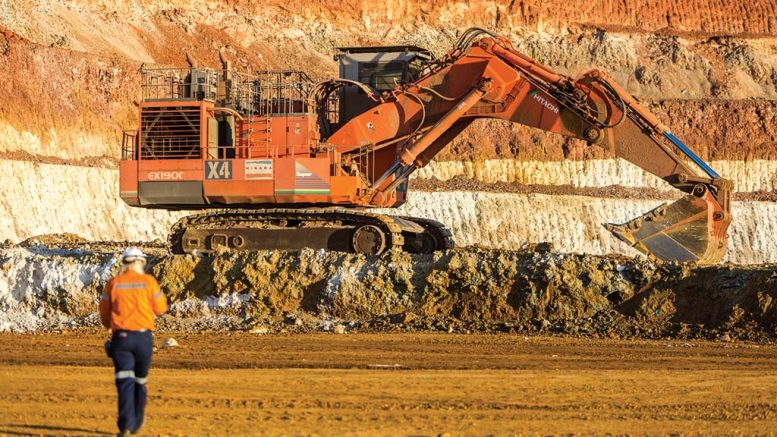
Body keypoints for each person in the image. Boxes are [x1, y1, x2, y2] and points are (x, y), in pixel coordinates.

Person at [99, 247, 167, 436]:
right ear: (141, 262)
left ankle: (126, 425)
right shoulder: (149, 282)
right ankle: (136, 422)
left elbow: (104, 312)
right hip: (143, 338)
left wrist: (109, 326)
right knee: (140, 381)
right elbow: (161, 308)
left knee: (124, 381)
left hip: (121, 338)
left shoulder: (113, 283)